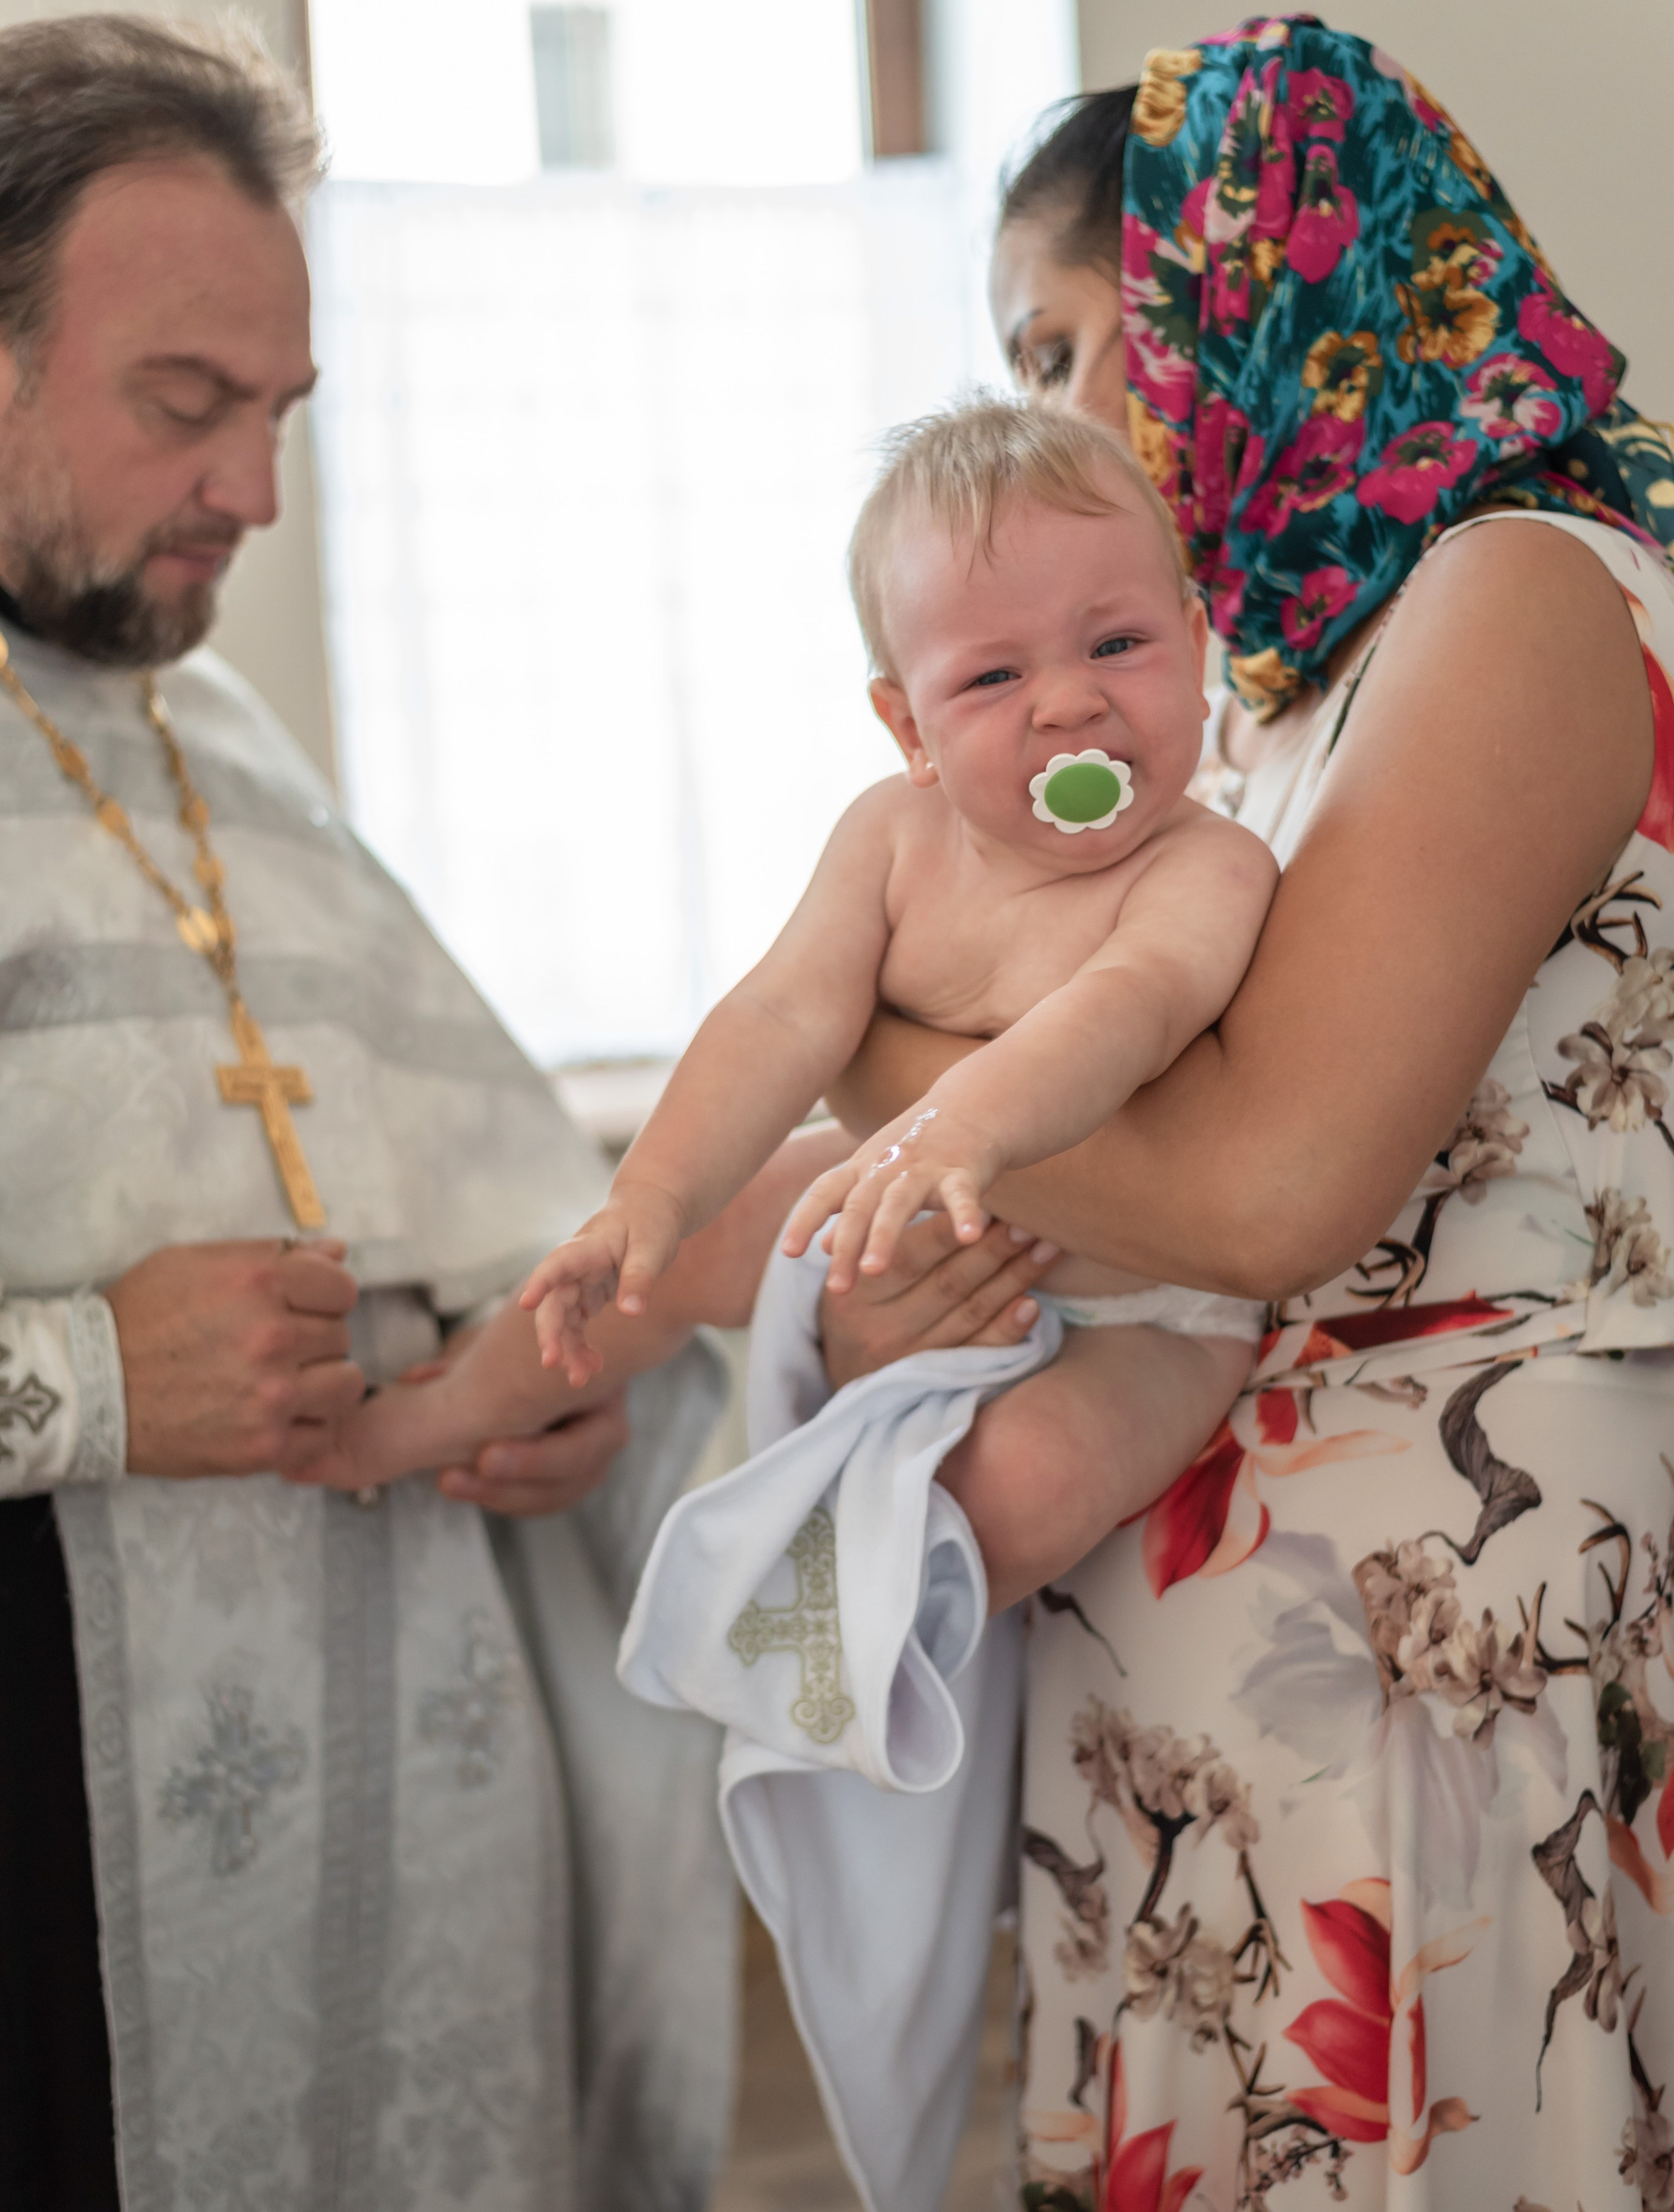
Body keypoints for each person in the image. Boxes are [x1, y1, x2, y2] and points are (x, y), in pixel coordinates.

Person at [0, 18, 1060, 2209]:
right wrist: (89, 1383)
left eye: (282, 414)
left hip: (408, 1878)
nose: (253, 491)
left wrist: (567, 1395)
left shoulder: (229, 746)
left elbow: (510, 1231)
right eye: (184, 403)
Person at [825, 19, 1674, 2207]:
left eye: (1061, 346)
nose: (1042, 423)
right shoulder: (1289, 676)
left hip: (1438, 1646)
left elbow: (1274, 1185)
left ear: (1242, 280)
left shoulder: (1514, 584)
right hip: (1247, 1653)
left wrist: (860, 1053)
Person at [336, 400, 1271, 1584]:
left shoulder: (1209, 867)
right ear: (909, 726)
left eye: (1117, 645)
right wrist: (647, 1199)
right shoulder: (894, 840)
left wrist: (963, 1128)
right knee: (670, 1254)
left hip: (1140, 1303)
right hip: (904, 1197)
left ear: (1194, 646)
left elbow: (1131, 1006)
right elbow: (781, 1015)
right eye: (994, 675)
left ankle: (837, 1645)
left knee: (1019, 1490)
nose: (1067, 703)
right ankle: (444, 1409)